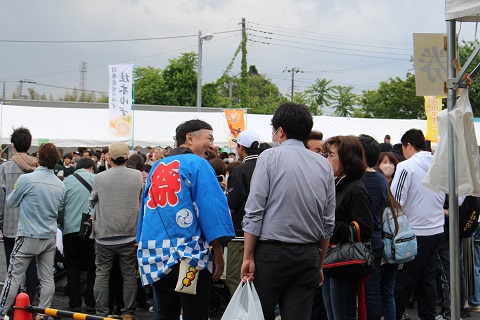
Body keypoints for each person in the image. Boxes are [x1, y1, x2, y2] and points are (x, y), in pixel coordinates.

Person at [241, 102, 335, 320]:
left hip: (270, 254)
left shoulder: (269, 157)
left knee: (258, 315)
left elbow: (254, 211)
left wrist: (247, 255)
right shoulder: (323, 165)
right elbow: (327, 221)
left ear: (280, 131)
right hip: (308, 255)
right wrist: (319, 264)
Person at [136, 119, 235, 320]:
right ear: (190, 138)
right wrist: (218, 250)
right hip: (189, 256)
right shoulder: (198, 164)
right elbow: (211, 208)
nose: (212, 145)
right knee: (194, 314)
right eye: (209, 138)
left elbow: (145, 210)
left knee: (165, 314)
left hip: (156, 256)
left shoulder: (156, 167)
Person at [0, 143, 65, 320]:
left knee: (13, 275)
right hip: (49, 235)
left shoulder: (26, 180)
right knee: (46, 277)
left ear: (38, 158)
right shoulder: (60, 184)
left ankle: (2, 311)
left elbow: (11, 202)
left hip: (28, 234)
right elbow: (60, 208)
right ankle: (43, 313)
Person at [391, 129, 445, 320]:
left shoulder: (406, 166)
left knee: (404, 280)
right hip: (437, 229)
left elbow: (396, 201)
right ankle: (428, 316)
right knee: (427, 278)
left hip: (414, 232)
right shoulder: (439, 165)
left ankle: (394, 315)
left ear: (409, 146)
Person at [89, 141, 144, 320]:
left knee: (102, 274)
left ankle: (101, 313)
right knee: (129, 274)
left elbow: (92, 200)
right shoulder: (137, 176)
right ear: (127, 158)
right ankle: (128, 311)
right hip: (129, 233)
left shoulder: (100, 177)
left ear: (109, 158)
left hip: (104, 234)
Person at [322, 135, 373, 320]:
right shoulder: (339, 184)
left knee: (342, 313)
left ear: (346, 159)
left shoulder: (355, 188)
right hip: (332, 259)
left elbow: (366, 228)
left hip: (344, 262)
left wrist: (332, 226)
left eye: (331, 155)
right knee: (333, 312)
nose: (327, 160)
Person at [0, 127, 39, 304]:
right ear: (29, 144)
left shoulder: (5, 168)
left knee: (12, 266)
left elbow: (1, 198)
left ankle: (14, 301)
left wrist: (0, 221)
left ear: (13, 145)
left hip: (10, 223)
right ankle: (30, 300)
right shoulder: (38, 167)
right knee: (31, 264)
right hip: (34, 225)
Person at [225, 129, 260, 296]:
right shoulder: (267, 167)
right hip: (265, 234)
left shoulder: (240, 170)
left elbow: (232, 201)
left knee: (235, 277)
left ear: (241, 147)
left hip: (240, 234)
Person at [58, 157, 96, 312]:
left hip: (70, 230)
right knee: (92, 267)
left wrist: (63, 222)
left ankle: (74, 303)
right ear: (92, 168)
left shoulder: (66, 182)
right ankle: (91, 302)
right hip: (90, 230)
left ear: (77, 167)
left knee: (72, 268)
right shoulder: (97, 179)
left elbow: (60, 207)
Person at [358, 134, 388, 320]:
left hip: (357, 242)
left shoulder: (355, 179)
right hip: (376, 240)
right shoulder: (381, 179)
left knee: (350, 292)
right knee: (373, 290)